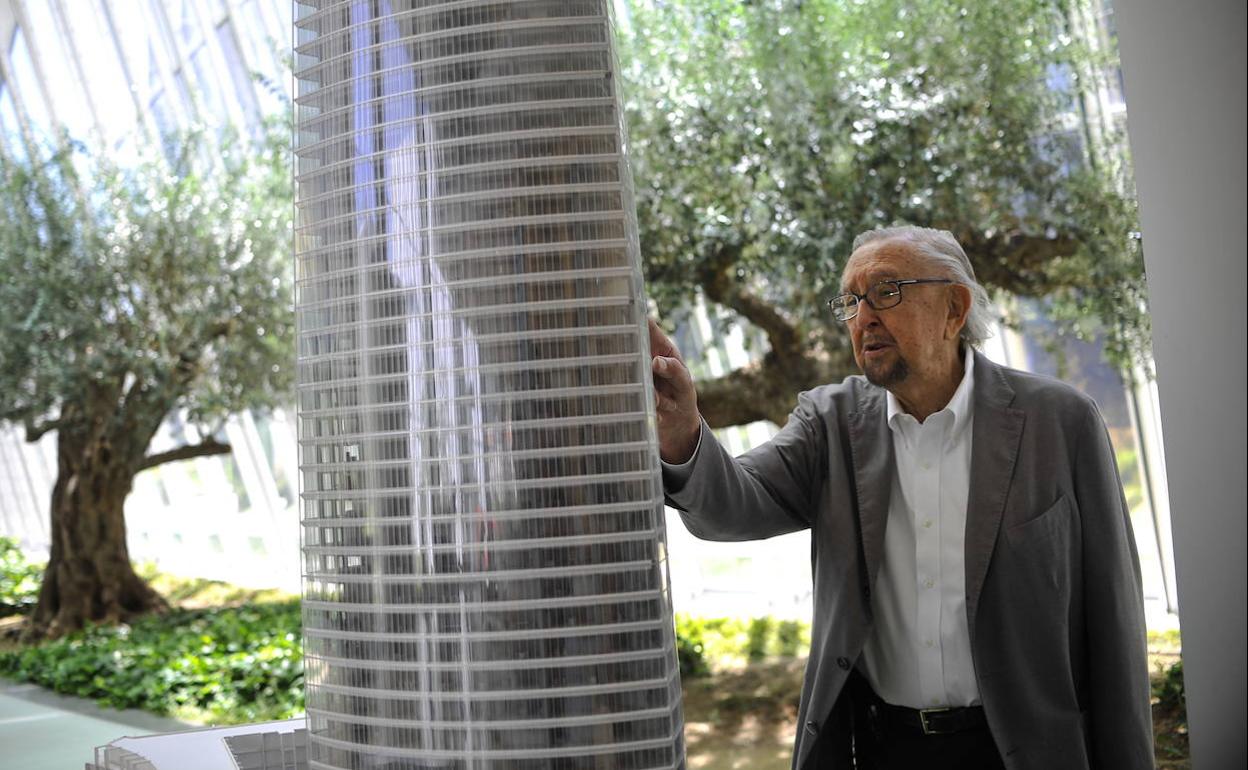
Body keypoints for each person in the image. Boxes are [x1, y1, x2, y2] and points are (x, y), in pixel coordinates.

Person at [649, 226, 1153, 770]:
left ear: (953, 309)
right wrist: (682, 428)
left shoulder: (1060, 421)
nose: (863, 316)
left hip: (1026, 752)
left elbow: (1113, 619)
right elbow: (733, 504)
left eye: (886, 292)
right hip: (884, 748)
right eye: (850, 300)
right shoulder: (831, 424)